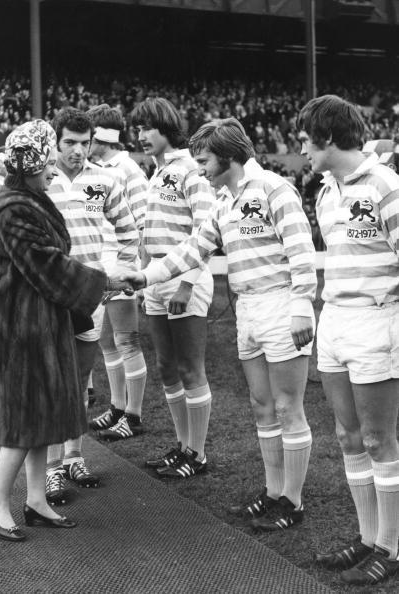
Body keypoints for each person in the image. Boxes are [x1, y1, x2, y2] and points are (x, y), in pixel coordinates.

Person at [113, 117, 317, 525]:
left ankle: (291, 501)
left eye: (204, 160)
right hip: (247, 308)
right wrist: (147, 276)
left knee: (287, 406)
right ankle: (273, 491)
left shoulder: (276, 190)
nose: (200, 168)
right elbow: (193, 248)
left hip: (280, 305)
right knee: (262, 406)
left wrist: (302, 305)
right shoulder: (225, 200)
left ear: (227, 156)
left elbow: (302, 253)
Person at [0, 119, 108, 542]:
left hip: (36, 327)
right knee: (21, 421)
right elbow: (47, 265)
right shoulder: (15, 209)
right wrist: (102, 280)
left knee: (42, 418)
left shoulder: (28, 201)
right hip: (16, 332)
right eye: (49, 161)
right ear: (31, 166)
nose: (54, 169)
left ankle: (35, 500)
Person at [297, 94, 399, 586]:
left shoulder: (385, 185)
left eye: (306, 140)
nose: (301, 150)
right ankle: (365, 539)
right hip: (334, 320)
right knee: (347, 436)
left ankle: (391, 548)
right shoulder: (324, 191)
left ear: (330, 137)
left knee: (380, 439)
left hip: (377, 323)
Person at [45, 107, 139, 504]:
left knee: (81, 380)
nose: (78, 151)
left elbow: (129, 231)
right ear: (56, 141)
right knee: (53, 382)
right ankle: (49, 469)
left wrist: (114, 276)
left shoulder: (106, 179)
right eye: (70, 143)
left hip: (89, 293)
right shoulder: (42, 179)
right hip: (49, 294)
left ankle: (74, 456)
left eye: (84, 143)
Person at [129, 97, 216, 478]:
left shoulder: (191, 171)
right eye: (137, 129)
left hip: (183, 279)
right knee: (166, 366)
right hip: (156, 278)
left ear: (165, 126)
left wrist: (187, 283)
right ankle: (183, 446)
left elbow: (207, 231)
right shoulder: (156, 171)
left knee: (190, 368)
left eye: (147, 128)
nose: (141, 136)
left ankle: (197, 453)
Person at [86, 104, 148, 440]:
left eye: (90, 137)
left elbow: (141, 223)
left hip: (121, 265)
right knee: (108, 341)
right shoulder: (95, 169)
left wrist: (130, 270)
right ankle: (117, 407)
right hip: (102, 263)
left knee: (127, 339)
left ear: (103, 137)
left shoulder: (128, 170)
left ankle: (133, 416)